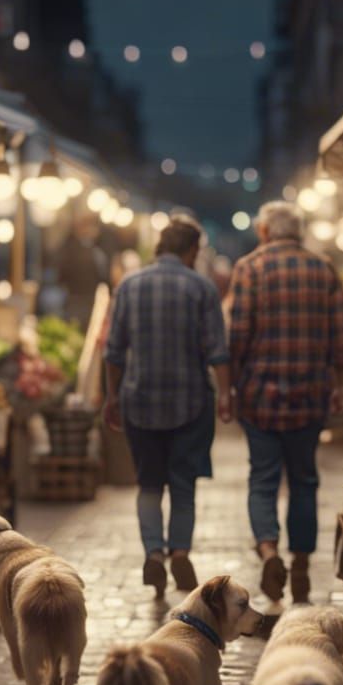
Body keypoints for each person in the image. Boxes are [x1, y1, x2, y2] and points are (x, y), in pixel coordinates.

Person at [229, 201, 343, 605]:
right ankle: (300, 562)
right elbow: (340, 337)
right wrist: (341, 384)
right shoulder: (324, 269)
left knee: (263, 480)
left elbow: (238, 336)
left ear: (265, 231)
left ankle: (269, 551)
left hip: (259, 398)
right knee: (304, 480)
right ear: (298, 232)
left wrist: (231, 385)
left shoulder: (249, 268)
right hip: (310, 396)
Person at [104, 215, 232, 597]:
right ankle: (179, 551)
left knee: (148, 483)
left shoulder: (129, 285)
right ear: (192, 250)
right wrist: (226, 395)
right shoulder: (202, 287)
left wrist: (112, 396)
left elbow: (114, 352)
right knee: (183, 485)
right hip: (191, 401)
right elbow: (218, 350)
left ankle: (154, 553)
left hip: (139, 399)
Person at [57, 215, 109, 331]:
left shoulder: (96, 250)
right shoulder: (72, 249)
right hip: (77, 299)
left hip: (86, 298)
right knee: (77, 329)